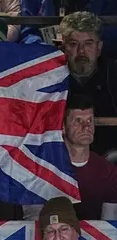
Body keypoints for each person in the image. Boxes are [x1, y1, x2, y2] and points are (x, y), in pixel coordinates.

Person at [60, 12, 117, 156]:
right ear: (64, 47)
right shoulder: (50, 77)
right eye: (73, 44)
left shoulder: (113, 74)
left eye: (88, 44)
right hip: (61, 157)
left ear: (99, 48)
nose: (81, 51)